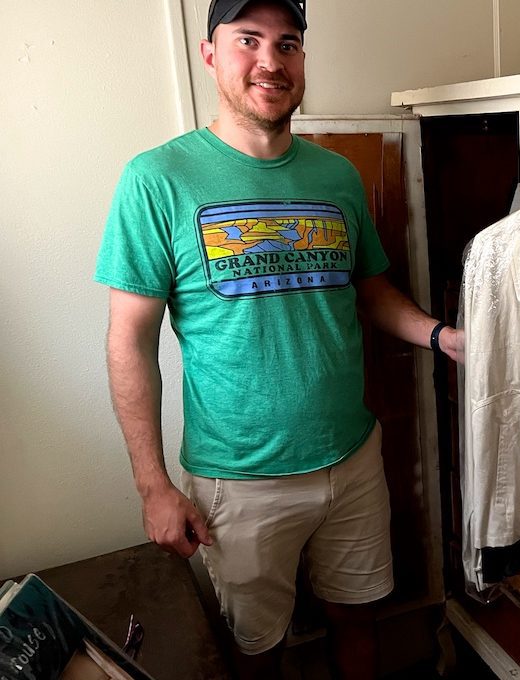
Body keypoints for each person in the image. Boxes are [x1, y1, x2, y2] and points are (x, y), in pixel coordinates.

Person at [94, 1, 463, 678]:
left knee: (358, 617)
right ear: (211, 55)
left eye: (287, 43)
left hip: (351, 458)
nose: (271, 60)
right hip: (239, 480)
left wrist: (440, 337)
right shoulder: (157, 180)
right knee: (258, 647)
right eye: (248, 41)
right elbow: (129, 343)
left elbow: (369, 289)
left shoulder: (336, 177)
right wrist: (152, 486)